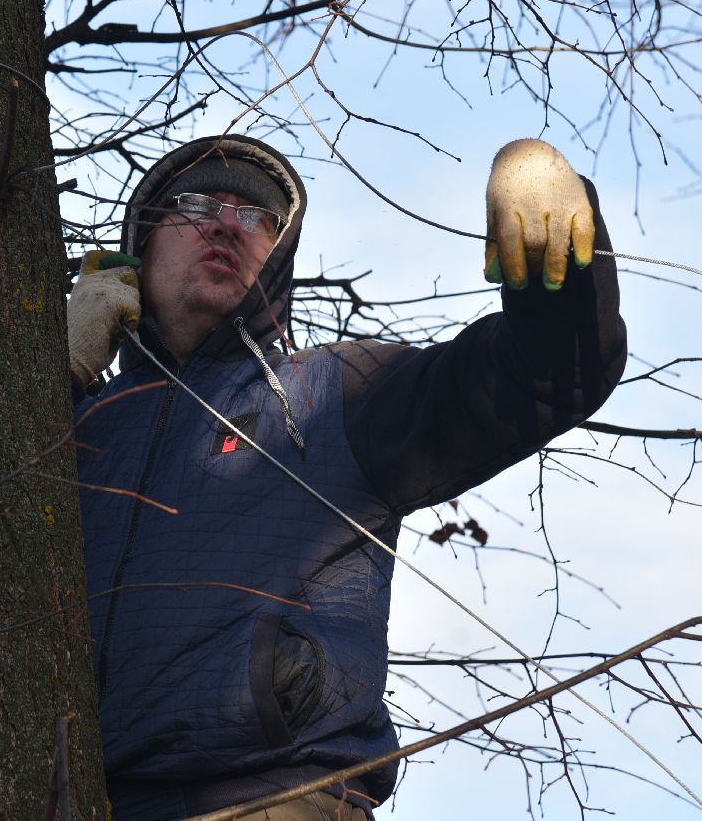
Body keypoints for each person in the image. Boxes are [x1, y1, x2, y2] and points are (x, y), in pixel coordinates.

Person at [66, 134, 627, 820]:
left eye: (256, 217)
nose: (223, 223)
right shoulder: (73, 422)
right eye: (194, 206)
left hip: (274, 798)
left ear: (277, 265)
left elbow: (543, 374)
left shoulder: (333, 393)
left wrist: (551, 225)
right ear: (136, 250)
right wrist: (52, 375)